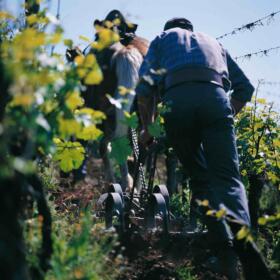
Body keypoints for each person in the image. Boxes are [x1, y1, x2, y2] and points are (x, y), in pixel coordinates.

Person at [136, 18, 272, 280]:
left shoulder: (163, 39)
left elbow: (144, 88)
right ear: (191, 30)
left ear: (170, 29)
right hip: (215, 99)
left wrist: (147, 129)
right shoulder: (214, 42)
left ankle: (226, 257)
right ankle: (246, 243)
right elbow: (245, 88)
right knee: (229, 180)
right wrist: (222, 115)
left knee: (201, 180)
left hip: (179, 103)